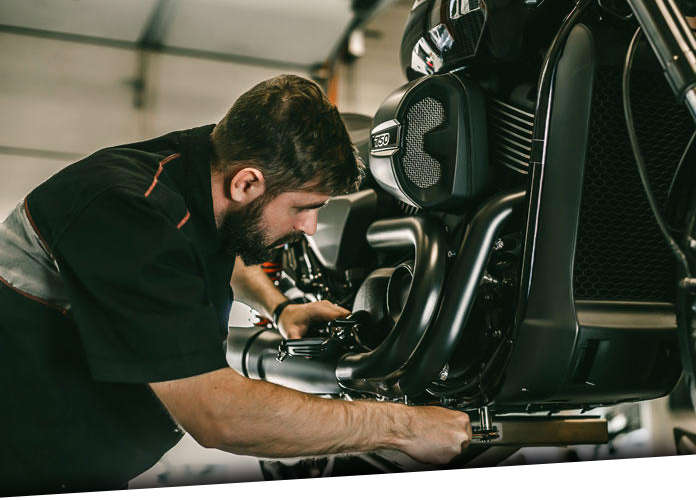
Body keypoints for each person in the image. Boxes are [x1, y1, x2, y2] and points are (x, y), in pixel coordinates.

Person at [0, 74, 472, 495]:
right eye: (304, 206)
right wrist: (403, 427)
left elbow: (207, 252)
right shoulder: (125, 210)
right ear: (247, 183)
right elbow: (217, 414)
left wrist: (281, 308)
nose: (309, 227)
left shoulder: (202, 166)